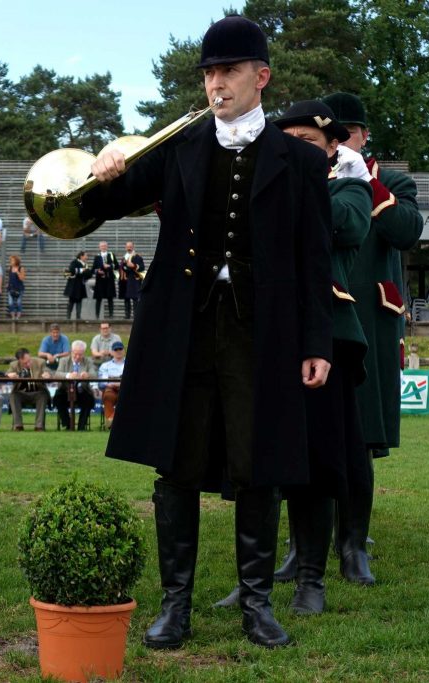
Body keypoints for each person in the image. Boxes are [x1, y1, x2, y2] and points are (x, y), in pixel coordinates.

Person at [82, 16, 334, 649]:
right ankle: (177, 605)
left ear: (261, 77)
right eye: (209, 74)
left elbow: (314, 260)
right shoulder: (178, 148)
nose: (216, 84)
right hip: (183, 329)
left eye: (228, 72)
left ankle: (257, 605)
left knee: (259, 462)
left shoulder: (300, 161)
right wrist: (106, 161)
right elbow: (101, 200)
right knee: (178, 460)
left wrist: (316, 343)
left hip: (265, 331)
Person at [218, 100, 373, 613]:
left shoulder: (349, 185)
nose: (296, 150)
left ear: (333, 148)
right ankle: (253, 578)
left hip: (322, 334)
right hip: (260, 331)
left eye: (309, 142)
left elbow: (347, 229)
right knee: (255, 459)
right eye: (289, 142)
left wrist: (308, 183)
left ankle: (312, 579)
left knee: (321, 460)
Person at [322, 92, 424, 585]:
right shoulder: (312, 179)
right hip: (321, 320)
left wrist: (370, 183)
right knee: (310, 433)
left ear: (364, 136)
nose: (339, 144)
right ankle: (304, 544)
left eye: (348, 135)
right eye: (332, 136)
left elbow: (407, 231)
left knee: (360, 436)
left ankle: (353, 544)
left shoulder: (394, 182)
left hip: (371, 326)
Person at [54, 340, 97, 431]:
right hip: (65, 390)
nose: (77, 357)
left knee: (89, 399)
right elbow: (57, 374)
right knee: (58, 399)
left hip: (82, 390)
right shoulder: (64, 360)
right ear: (71, 352)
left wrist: (87, 375)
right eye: (75, 354)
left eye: (80, 354)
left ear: (84, 353)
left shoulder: (88, 361)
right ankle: (68, 424)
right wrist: (68, 375)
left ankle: (82, 426)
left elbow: (94, 374)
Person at [6, 347, 51, 431]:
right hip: (21, 393)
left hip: (37, 392)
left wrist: (48, 374)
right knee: (14, 395)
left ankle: (39, 426)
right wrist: (8, 375)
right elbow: (6, 374)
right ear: (19, 360)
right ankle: (18, 425)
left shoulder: (40, 362)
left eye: (29, 360)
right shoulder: (13, 365)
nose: (28, 364)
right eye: (25, 363)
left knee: (43, 395)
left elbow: (48, 371)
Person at [97, 340, 126, 429]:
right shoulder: (105, 366)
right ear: (112, 352)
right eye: (116, 350)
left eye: (120, 349)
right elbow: (101, 384)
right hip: (111, 389)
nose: (118, 351)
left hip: (126, 389)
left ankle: (112, 421)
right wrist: (112, 384)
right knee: (108, 396)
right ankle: (112, 422)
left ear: (124, 351)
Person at [92, 240, 118, 319]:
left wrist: (109, 266)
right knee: (98, 298)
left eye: (104, 246)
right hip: (100, 280)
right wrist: (98, 271)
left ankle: (111, 315)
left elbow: (117, 266)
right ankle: (97, 316)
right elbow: (93, 269)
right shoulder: (97, 256)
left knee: (110, 298)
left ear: (107, 247)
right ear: (99, 247)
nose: (103, 247)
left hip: (109, 280)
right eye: (102, 246)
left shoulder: (111, 255)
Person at [119, 241, 146, 318]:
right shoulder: (124, 258)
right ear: (125, 247)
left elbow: (142, 268)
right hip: (125, 281)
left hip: (134, 281)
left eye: (130, 246)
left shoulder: (137, 257)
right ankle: (127, 315)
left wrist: (133, 266)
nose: (129, 248)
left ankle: (136, 316)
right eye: (127, 246)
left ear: (133, 247)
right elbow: (122, 268)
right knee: (126, 298)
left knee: (135, 298)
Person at [63, 251, 90, 320]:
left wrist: (86, 273)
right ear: (81, 256)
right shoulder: (74, 262)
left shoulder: (85, 264)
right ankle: (68, 317)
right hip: (73, 285)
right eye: (86, 256)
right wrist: (82, 270)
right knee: (71, 300)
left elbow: (88, 274)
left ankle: (78, 317)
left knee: (79, 301)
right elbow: (72, 270)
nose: (87, 257)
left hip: (81, 285)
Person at [6, 254, 26, 319]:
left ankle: (18, 315)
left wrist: (17, 272)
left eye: (12, 260)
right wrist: (8, 284)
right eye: (10, 260)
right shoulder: (10, 268)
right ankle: (13, 316)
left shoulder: (21, 268)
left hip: (19, 288)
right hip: (11, 288)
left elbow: (22, 278)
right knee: (10, 303)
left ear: (16, 261)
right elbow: (9, 277)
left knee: (18, 302)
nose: (11, 262)